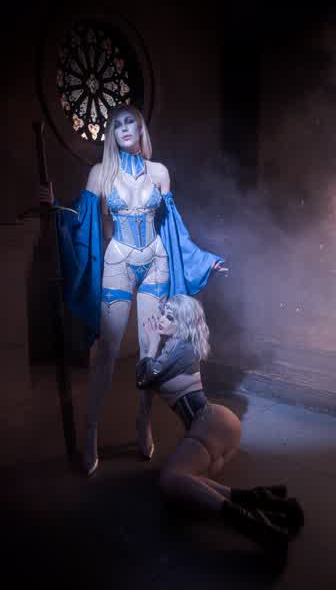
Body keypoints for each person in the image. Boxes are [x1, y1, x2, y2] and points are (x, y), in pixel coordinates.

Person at [41, 104, 227, 476]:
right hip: (119, 261)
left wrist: (204, 260)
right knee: (108, 351)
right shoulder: (100, 173)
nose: (125, 128)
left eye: (131, 122)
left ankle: (144, 422)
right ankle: (91, 432)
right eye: (118, 124)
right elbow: (82, 221)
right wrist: (56, 208)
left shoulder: (159, 173)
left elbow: (173, 227)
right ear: (112, 133)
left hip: (156, 260)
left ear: (141, 129)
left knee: (150, 351)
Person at [137, 294, 304, 554]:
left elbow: (145, 378)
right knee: (188, 481)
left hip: (211, 422)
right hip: (214, 425)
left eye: (170, 317)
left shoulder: (183, 348)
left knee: (170, 479)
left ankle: (262, 530)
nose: (161, 320)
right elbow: (148, 375)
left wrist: (151, 345)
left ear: (184, 324)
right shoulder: (176, 347)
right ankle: (265, 501)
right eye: (163, 314)